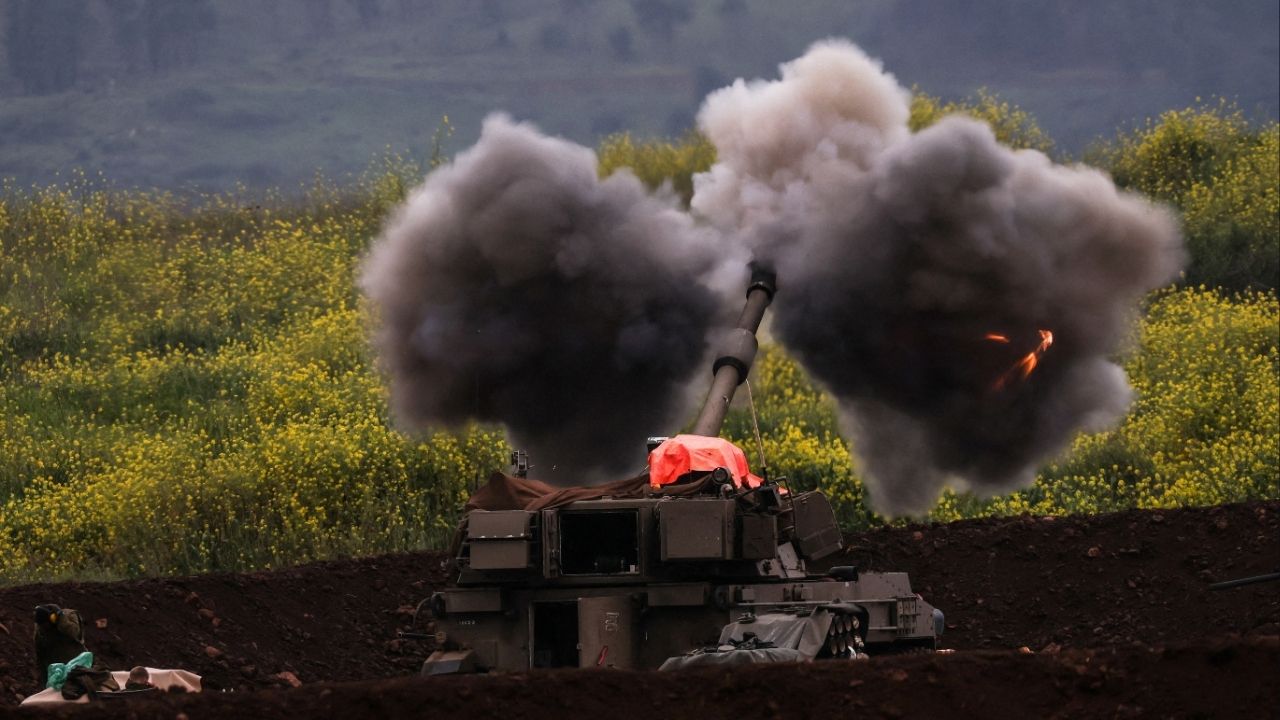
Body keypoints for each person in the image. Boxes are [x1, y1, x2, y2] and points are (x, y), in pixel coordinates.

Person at [32, 604, 88, 688]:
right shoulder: (40, 628)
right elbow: (40, 654)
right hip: (56, 670)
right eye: (41, 626)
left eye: (46, 625)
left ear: (53, 619)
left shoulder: (69, 616)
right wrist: (43, 680)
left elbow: (75, 633)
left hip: (77, 665)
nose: (44, 628)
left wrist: (61, 618)